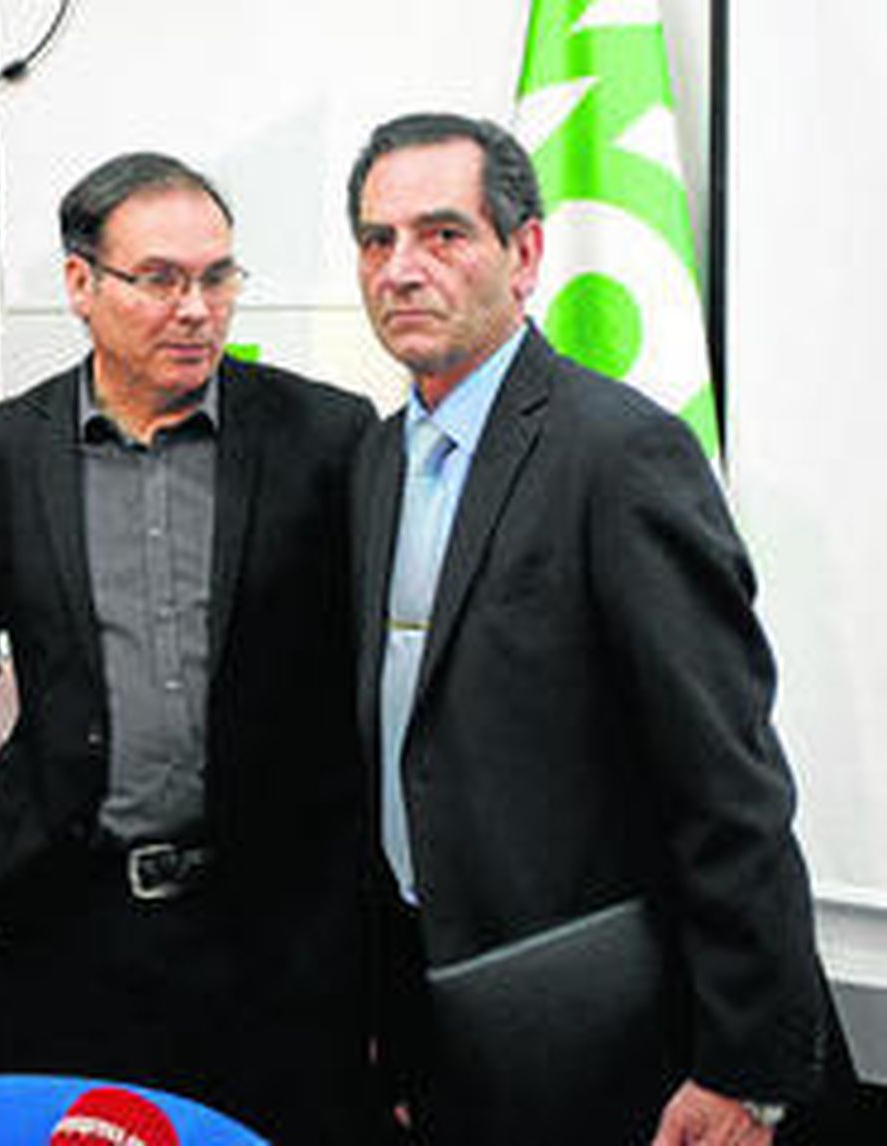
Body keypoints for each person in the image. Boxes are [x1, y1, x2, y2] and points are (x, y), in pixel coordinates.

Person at [347, 112, 849, 1144]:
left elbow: (727, 779)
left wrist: (741, 1071)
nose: (401, 269)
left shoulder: (618, 454)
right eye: (376, 239)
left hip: (613, 1038)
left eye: (443, 235)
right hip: (446, 1023)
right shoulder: (377, 460)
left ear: (523, 254)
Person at [0, 152, 381, 1142]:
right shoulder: (2, 453)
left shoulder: (325, 439)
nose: (196, 308)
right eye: (160, 279)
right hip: (67, 925)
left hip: (274, 937)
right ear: (80, 285)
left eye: (217, 277)